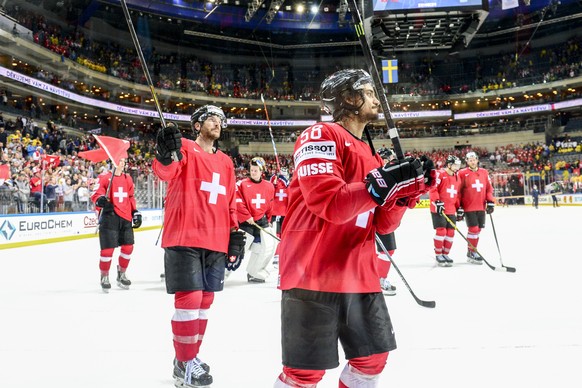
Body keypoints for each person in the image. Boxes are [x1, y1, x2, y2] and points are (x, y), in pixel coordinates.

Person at [275, 69, 434, 387]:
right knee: (305, 373)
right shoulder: (320, 135)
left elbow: (382, 223)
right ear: (349, 98)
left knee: (372, 359)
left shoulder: (371, 156)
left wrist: (404, 194)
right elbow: (329, 203)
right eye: (370, 91)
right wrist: (384, 183)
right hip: (313, 271)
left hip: (359, 274)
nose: (378, 98)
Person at [152, 105, 245, 388]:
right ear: (197, 125)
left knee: (205, 302)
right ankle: (185, 363)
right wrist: (165, 153)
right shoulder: (185, 149)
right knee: (189, 300)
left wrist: (234, 233)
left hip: (215, 239)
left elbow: (230, 200)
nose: (217, 122)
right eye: (211, 119)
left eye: (221, 120)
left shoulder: (227, 162)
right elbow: (165, 173)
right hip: (185, 235)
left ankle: (188, 357)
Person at [91, 158, 141, 292]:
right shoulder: (104, 177)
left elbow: (130, 196)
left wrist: (135, 211)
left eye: (124, 161)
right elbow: (96, 193)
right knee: (107, 250)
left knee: (128, 248)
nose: (123, 163)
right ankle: (104, 275)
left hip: (125, 217)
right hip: (109, 216)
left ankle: (122, 273)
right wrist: (100, 199)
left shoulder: (128, 178)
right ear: (113, 162)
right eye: (120, 160)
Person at [236, 156, 277, 283]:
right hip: (246, 221)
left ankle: (255, 272)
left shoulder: (269, 186)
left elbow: (270, 204)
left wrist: (269, 219)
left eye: (255, 170)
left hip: (261, 221)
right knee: (239, 248)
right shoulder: (241, 184)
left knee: (266, 246)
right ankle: (225, 270)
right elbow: (237, 202)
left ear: (261, 171)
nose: (253, 172)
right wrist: (247, 216)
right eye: (251, 170)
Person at [458, 151, 495, 265]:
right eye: (470, 160)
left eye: (474, 159)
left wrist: (490, 201)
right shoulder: (462, 173)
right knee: (473, 229)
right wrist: (459, 206)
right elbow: (458, 191)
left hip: (481, 206)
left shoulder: (484, 172)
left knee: (478, 230)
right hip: (469, 206)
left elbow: (489, 188)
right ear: (467, 161)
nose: (472, 162)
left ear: (477, 160)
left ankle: (472, 251)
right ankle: (471, 252)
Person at [429, 155, 462, 267]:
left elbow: (456, 194)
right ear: (449, 164)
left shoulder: (457, 177)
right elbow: (433, 189)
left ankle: (445, 254)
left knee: (450, 233)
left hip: (451, 209)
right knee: (441, 231)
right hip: (439, 208)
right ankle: (438, 254)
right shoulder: (440, 174)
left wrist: (459, 207)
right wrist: (437, 201)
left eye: (458, 165)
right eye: (455, 165)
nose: (457, 167)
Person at [376, 147, 398, 295]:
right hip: (369, 217)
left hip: (385, 218)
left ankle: (380, 278)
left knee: (388, 249)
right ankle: (370, 279)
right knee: (364, 250)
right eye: (390, 158)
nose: (392, 161)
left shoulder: (394, 175)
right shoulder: (371, 172)